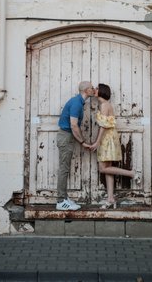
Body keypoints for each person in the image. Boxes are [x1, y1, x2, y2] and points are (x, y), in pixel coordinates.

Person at [89, 83, 135, 209]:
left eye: (97, 88)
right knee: (108, 169)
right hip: (110, 136)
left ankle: (131, 173)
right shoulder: (104, 105)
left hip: (107, 138)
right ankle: (110, 199)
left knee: (103, 169)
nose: (95, 89)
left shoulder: (104, 105)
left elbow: (103, 126)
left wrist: (97, 142)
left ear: (102, 91)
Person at [56, 80, 95, 211]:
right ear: (86, 90)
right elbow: (73, 125)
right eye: (92, 88)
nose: (94, 89)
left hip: (68, 137)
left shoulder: (79, 102)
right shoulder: (77, 103)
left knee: (65, 168)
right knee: (64, 168)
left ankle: (64, 198)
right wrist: (83, 142)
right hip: (65, 137)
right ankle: (60, 201)